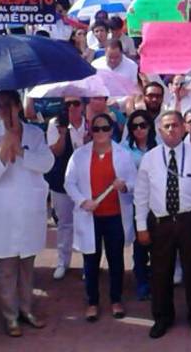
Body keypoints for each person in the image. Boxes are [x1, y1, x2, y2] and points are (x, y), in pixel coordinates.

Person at [0, 90, 54, 337]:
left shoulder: (35, 133)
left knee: (27, 265)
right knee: (6, 268)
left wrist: (20, 151)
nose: (4, 111)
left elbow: (47, 163)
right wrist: (4, 148)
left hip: (29, 207)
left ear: (19, 106)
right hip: (2, 211)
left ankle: (27, 309)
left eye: (8, 105)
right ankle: (10, 315)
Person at [133, 111, 191, 341]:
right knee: (160, 273)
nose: (171, 130)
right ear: (159, 131)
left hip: (190, 221)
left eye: (175, 125)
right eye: (166, 126)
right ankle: (162, 318)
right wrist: (141, 227)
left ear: (183, 128)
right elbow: (141, 195)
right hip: (161, 223)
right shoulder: (150, 158)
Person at [64, 112, 136, 322]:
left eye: (105, 128)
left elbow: (133, 183)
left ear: (112, 130)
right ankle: (92, 301)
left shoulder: (123, 155)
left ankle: (116, 299)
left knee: (115, 260)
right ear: (91, 131)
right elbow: (69, 183)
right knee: (91, 261)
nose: (101, 133)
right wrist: (82, 201)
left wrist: (123, 187)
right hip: (90, 216)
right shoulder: (79, 155)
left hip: (115, 216)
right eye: (96, 129)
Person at [46, 96, 87, 280]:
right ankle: (63, 261)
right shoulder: (55, 123)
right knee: (64, 223)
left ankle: (89, 264)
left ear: (83, 105)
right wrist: (63, 133)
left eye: (76, 103)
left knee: (86, 222)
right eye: (68, 103)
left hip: (85, 181)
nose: (72, 107)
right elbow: (56, 151)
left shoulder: (91, 124)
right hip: (61, 180)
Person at [123, 108, 157, 300]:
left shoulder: (159, 146)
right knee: (140, 244)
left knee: (158, 244)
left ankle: (157, 280)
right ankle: (142, 282)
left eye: (143, 125)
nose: (139, 129)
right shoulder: (125, 150)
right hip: (136, 201)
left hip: (159, 201)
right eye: (134, 126)